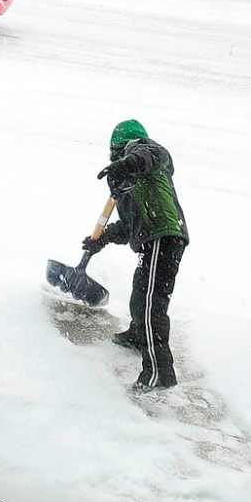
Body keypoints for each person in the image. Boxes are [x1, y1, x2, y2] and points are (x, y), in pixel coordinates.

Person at [83, 119, 189, 393]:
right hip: (151, 240)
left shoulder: (150, 153)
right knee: (140, 294)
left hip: (163, 235)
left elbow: (146, 156)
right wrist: (101, 239)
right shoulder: (129, 183)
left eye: (118, 155)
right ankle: (137, 336)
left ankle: (158, 372)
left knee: (152, 304)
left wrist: (123, 164)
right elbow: (129, 226)